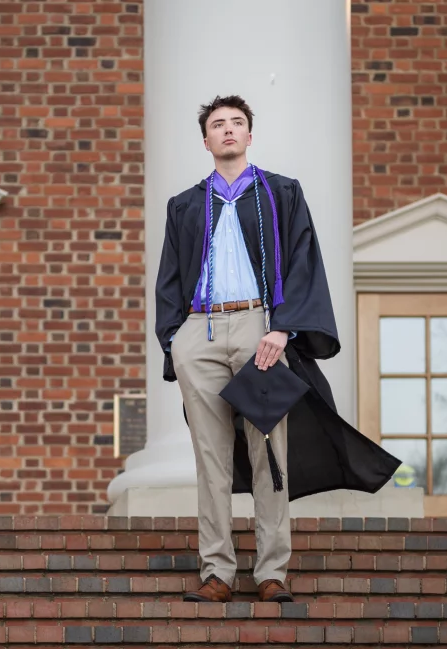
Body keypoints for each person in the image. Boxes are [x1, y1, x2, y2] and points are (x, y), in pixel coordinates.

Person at [156, 95, 400, 603]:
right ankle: (217, 572)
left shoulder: (281, 194)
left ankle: (271, 572)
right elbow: (170, 280)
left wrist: (283, 329)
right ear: (205, 141)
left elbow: (303, 261)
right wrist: (173, 339)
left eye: (236, 123)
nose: (227, 130)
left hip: (258, 329)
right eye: (217, 125)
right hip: (198, 333)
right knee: (211, 457)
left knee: (269, 451)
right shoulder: (183, 205)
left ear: (249, 135)